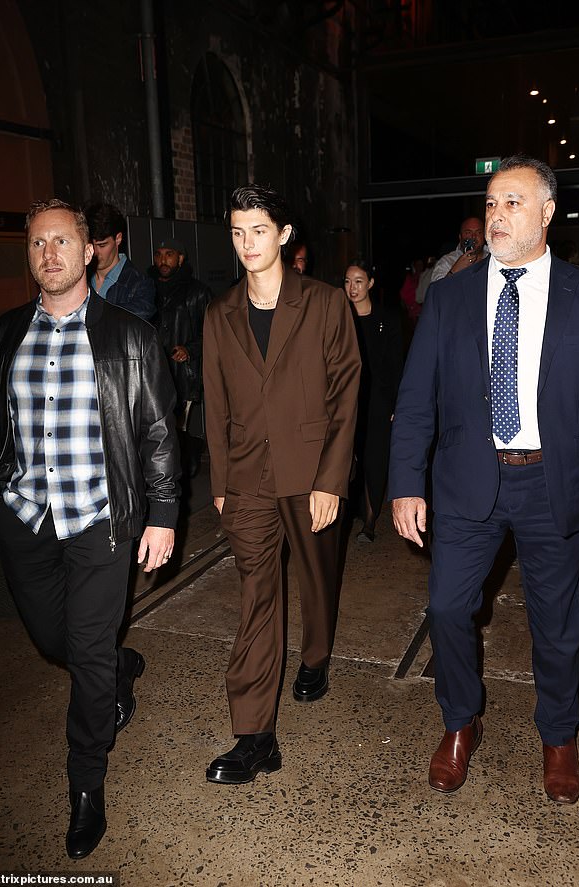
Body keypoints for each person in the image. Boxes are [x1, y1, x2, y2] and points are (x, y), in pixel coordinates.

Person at [389, 155, 579, 805]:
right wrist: (405, 481)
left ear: (547, 212)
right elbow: (416, 396)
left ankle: (558, 735)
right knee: (449, 607)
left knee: (558, 622)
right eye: (491, 203)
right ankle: (461, 720)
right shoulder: (449, 295)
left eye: (513, 202)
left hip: (552, 482)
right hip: (467, 482)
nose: (497, 215)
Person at [0, 199, 180, 857]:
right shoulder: (6, 335)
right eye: (38, 244)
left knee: (84, 654)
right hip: (27, 517)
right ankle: (114, 666)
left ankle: (85, 783)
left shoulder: (130, 335)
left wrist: (165, 513)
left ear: (89, 250)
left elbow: (157, 432)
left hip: (99, 520)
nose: (50, 254)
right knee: (52, 638)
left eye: (62, 241)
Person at [203, 184, 360, 784]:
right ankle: (254, 735)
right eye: (238, 232)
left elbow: (346, 394)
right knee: (257, 600)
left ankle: (316, 655)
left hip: (310, 472)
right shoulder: (219, 315)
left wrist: (331, 480)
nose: (247, 244)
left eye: (258, 231)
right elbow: (214, 403)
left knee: (318, 575)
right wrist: (220, 481)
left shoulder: (323, 304)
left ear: (284, 234)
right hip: (247, 480)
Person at [343, 258, 402, 542]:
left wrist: (395, 404)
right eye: (347, 281)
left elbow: (395, 366)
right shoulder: (340, 319)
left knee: (374, 460)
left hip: (377, 402)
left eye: (358, 282)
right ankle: (352, 511)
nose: (352, 288)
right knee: (348, 458)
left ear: (370, 284)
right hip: (346, 403)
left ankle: (369, 519)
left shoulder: (386, 320)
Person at [150, 238, 213, 477]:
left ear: (181, 258)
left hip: (182, 374)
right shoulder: (147, 288)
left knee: (177, 429)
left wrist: (190, 349)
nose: (163, 260)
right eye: (158, 254)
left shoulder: (197, 292)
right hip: (154, 372)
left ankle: (180, 471)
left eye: (169, 254)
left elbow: (213, 333)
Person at [85, 202, 156, 321]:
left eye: (102, 245)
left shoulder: (141, 285)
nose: (95, 252)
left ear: (118, 239)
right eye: (91, 245)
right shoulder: (79, 278)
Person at [429, 216, 488, 282]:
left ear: (484, 236)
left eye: (479, 232)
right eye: (468, 232)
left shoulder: (494, 259)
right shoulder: (447, 261)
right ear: (460, 237)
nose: (473, 236)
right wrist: (455, 270)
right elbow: (437, 290)